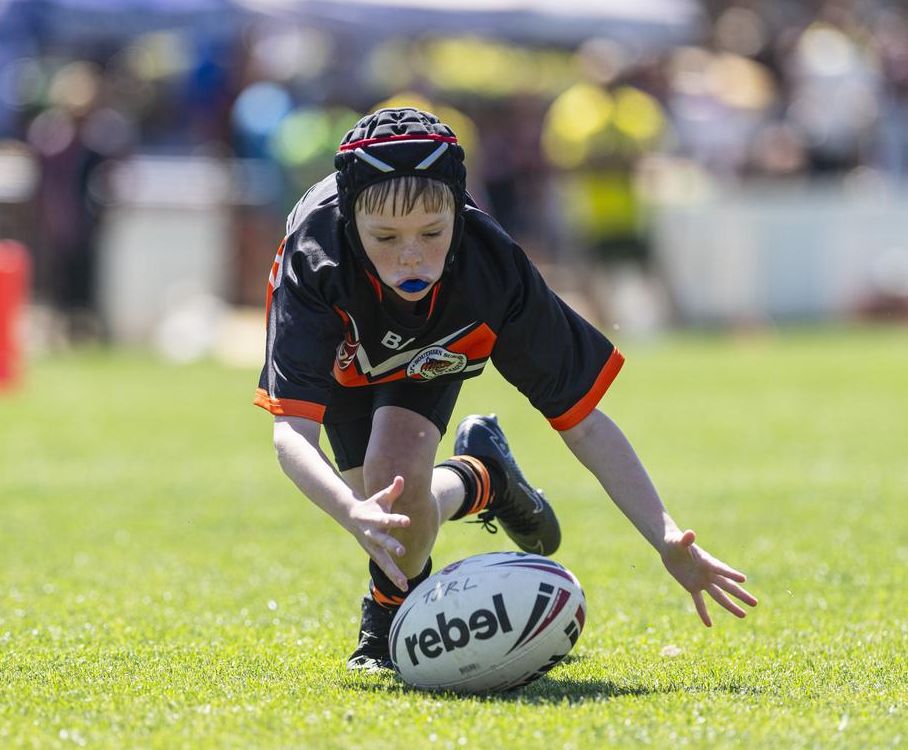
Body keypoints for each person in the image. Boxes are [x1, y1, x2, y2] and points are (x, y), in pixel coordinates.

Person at [254, 107, 757, 672]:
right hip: (343, 359)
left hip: (431, 352)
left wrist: (665, 536)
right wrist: (349, 510)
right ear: (350, 223)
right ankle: (482, 477)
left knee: (391, 480)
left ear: (459, 216)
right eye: (386, 238)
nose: (412, 255)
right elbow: (290, 434)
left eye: (432, 232)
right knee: (387, 507)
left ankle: (385, 623)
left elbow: (585, 421)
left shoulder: (492, 270)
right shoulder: (315, 260)